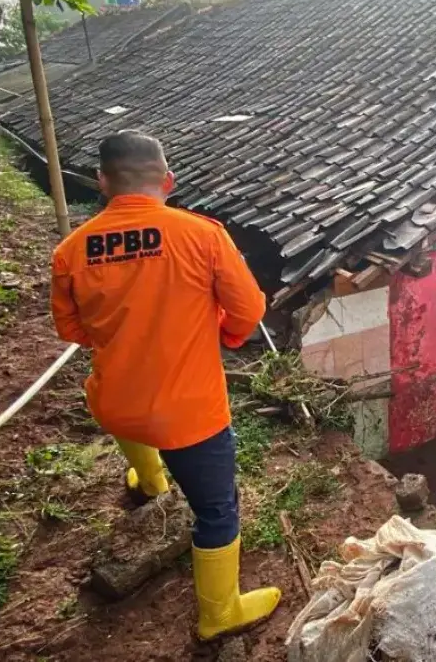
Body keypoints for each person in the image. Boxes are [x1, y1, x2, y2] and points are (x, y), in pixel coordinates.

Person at [49, 131, 279, 640]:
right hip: (189, 414)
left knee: (127, 409)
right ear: (167, 181)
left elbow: (71, 330)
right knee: (217, 510)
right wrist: (225, 331)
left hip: (116, 406)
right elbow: (249, 311)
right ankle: (218, 614)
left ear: (102, 182)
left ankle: (151, 481)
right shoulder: (202, 235)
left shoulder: (70, 251)